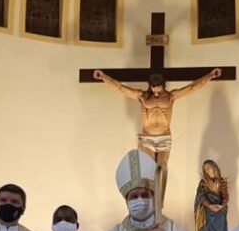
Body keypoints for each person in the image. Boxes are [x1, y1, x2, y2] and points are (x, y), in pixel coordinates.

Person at [93, 69, 221, 165]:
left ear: (163, 85)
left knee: (161, 168)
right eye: (153, 88)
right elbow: (120, 88)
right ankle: (149, 193)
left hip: (164, 136)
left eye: (158, 88)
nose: (155, 91)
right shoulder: (142, 96)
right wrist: (103, 76)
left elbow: (192, 87)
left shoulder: (171, 96)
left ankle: (159, 193)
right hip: (148, 136)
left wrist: (210, 76)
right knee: (149, 168)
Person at [195, 159, 230, 231]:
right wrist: (210, 205)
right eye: (205, 169)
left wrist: (222, 205)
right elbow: (200, 197)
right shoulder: (203, 183)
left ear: (214, 168)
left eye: (209, 168)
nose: (208, 170)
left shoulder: (222, 182)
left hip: (219, 214)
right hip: (208, 216)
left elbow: (225, 196)